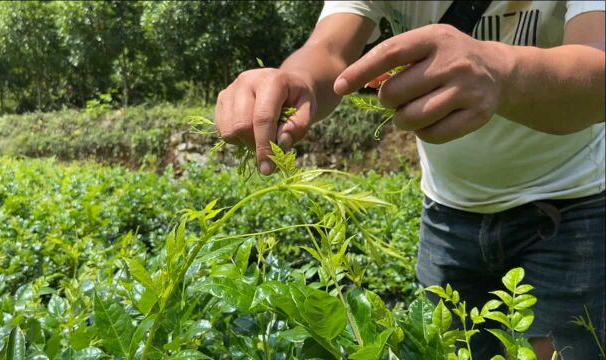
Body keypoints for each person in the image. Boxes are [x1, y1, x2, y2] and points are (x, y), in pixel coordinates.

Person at [214, 1, 605, 358]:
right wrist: (289, 80)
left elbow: (597, 69)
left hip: (568, 209)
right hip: (449, 217)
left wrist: (499, 70)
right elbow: (328, 50)